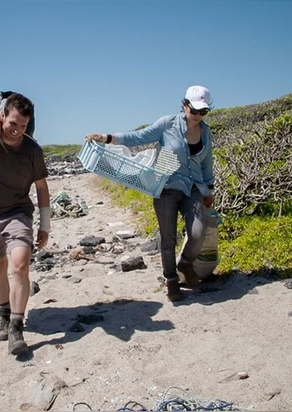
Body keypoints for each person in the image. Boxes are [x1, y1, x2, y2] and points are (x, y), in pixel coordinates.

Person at [86, 85, 215, 302]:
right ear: (184, 105)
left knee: (197, 232)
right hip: (166, 187)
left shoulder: (206, 131)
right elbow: (139, 137)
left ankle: (185, 263)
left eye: (204, 112)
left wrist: (210, 189)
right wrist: (107, 137)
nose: (198, 116)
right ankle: (171, 280)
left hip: (193, 188)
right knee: (168, 237)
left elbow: (207, 164)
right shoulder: (167, 124)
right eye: (195, 111)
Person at [0, 92, 50, 355]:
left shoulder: (32, 150)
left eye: (23, 126)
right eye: (12, 123)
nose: (16, 131)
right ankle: (3, 313)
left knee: (20, 265)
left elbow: (41, 187)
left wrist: (45, 225)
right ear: (2, 115)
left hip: (17, 214)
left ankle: (16, 325)